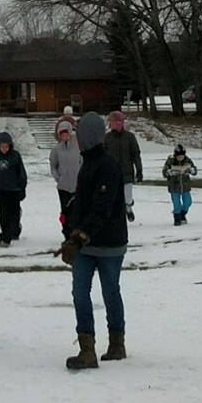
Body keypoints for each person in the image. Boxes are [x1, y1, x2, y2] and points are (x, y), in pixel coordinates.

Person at [58, 111, 130, 370]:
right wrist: (70, 226)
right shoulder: (86, 163)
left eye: (80, 134)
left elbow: (102, 208)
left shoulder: (107, 166)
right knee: (80, 293)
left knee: (110, 292)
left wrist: (78, 238)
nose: (77, 138)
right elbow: (85, 203)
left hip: (109, 244)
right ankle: (87, 349)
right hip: (84, 244)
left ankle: (116, 343)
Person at [0, 130, 28, 246]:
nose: (5, 149)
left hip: (14, 189)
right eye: (2, 146)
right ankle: (5, 236)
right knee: (4, 213)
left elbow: (21, 173)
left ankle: (15, 230)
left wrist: (22, 188)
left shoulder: (15, 156)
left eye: (7, 146)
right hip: (1, 189)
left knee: (14, 212)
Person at [104, 109, 143, 223]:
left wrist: (139, 170)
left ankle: (128, 207)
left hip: (127, 171)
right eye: (113, 121)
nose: (115, 124)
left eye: (118, 121)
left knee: (128, 195)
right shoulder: (107, 138)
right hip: (112, 172)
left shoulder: (129, 137)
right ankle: (116, 213)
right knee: (114, 195)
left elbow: (136, 154)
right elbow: (103, 155)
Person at [48, 117, 80, 231]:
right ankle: (66, 231)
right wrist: (58, 178)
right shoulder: (56, 150)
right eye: (62, 134)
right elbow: (53, 166)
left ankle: (76, 231)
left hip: (77, 185)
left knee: (77, 209)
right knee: (65, 210)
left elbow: (83, 163)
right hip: (63, 187)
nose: (64, 136)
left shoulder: (78, 148)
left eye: (66, 133)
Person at [163, 145, 198, 225]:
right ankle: (177, 218)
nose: (180, 158)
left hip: (185, 186)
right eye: (179, 156)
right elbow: (164, 172)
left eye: (182, 156)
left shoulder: (187, 160)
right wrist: (169, 172)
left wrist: (191, 171)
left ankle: (182, 214)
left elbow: (194, 170)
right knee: (176, 204)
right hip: (174, 186)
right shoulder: (170, 161)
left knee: (188, 202)